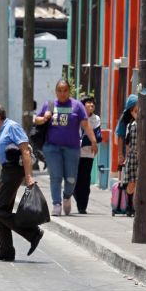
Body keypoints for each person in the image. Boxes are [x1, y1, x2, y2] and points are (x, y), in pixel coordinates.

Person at [0, 104, 44, 261]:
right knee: (1, 211)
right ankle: (6, 251)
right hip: (7, 171)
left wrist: (29, 176)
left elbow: (25, 150)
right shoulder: (4, 129)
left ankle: (33, 233)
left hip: (13, 172)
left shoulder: (12, 127)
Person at [34, 80, 98, 216]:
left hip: (72, 148)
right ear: (56, 91)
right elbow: (36, 120)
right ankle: (56, 204)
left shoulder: (77, 106)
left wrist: (93, 141)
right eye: (59, 91)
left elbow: (86, 125)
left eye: (65, 90)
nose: (62, 93)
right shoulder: (49, 105)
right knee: (55, 176)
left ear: (69, 91)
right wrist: (44, 118)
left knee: (71, 178)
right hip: (52, 147)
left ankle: (67, 196)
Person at [118, 94, 146, 216]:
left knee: (143, 182)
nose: (137, 113)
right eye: (134, 111)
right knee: (131, 182)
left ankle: (140, 206)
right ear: (131, 113)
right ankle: (129, 205)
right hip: (132, 157)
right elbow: (126, 142)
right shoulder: (129, 126)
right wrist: (125, 157)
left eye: (138, 111)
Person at [73, 96, 103, 214]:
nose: (91, 105)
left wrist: (83, 141)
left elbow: (98, 136)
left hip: (88, 154)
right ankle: (77, 198)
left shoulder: (96, 119)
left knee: (85, 180)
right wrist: (87, 139)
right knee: (75, 179)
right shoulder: (76, 117)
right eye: (88, 103)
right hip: (75, 153)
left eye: (92, 103)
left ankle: (82, 206)